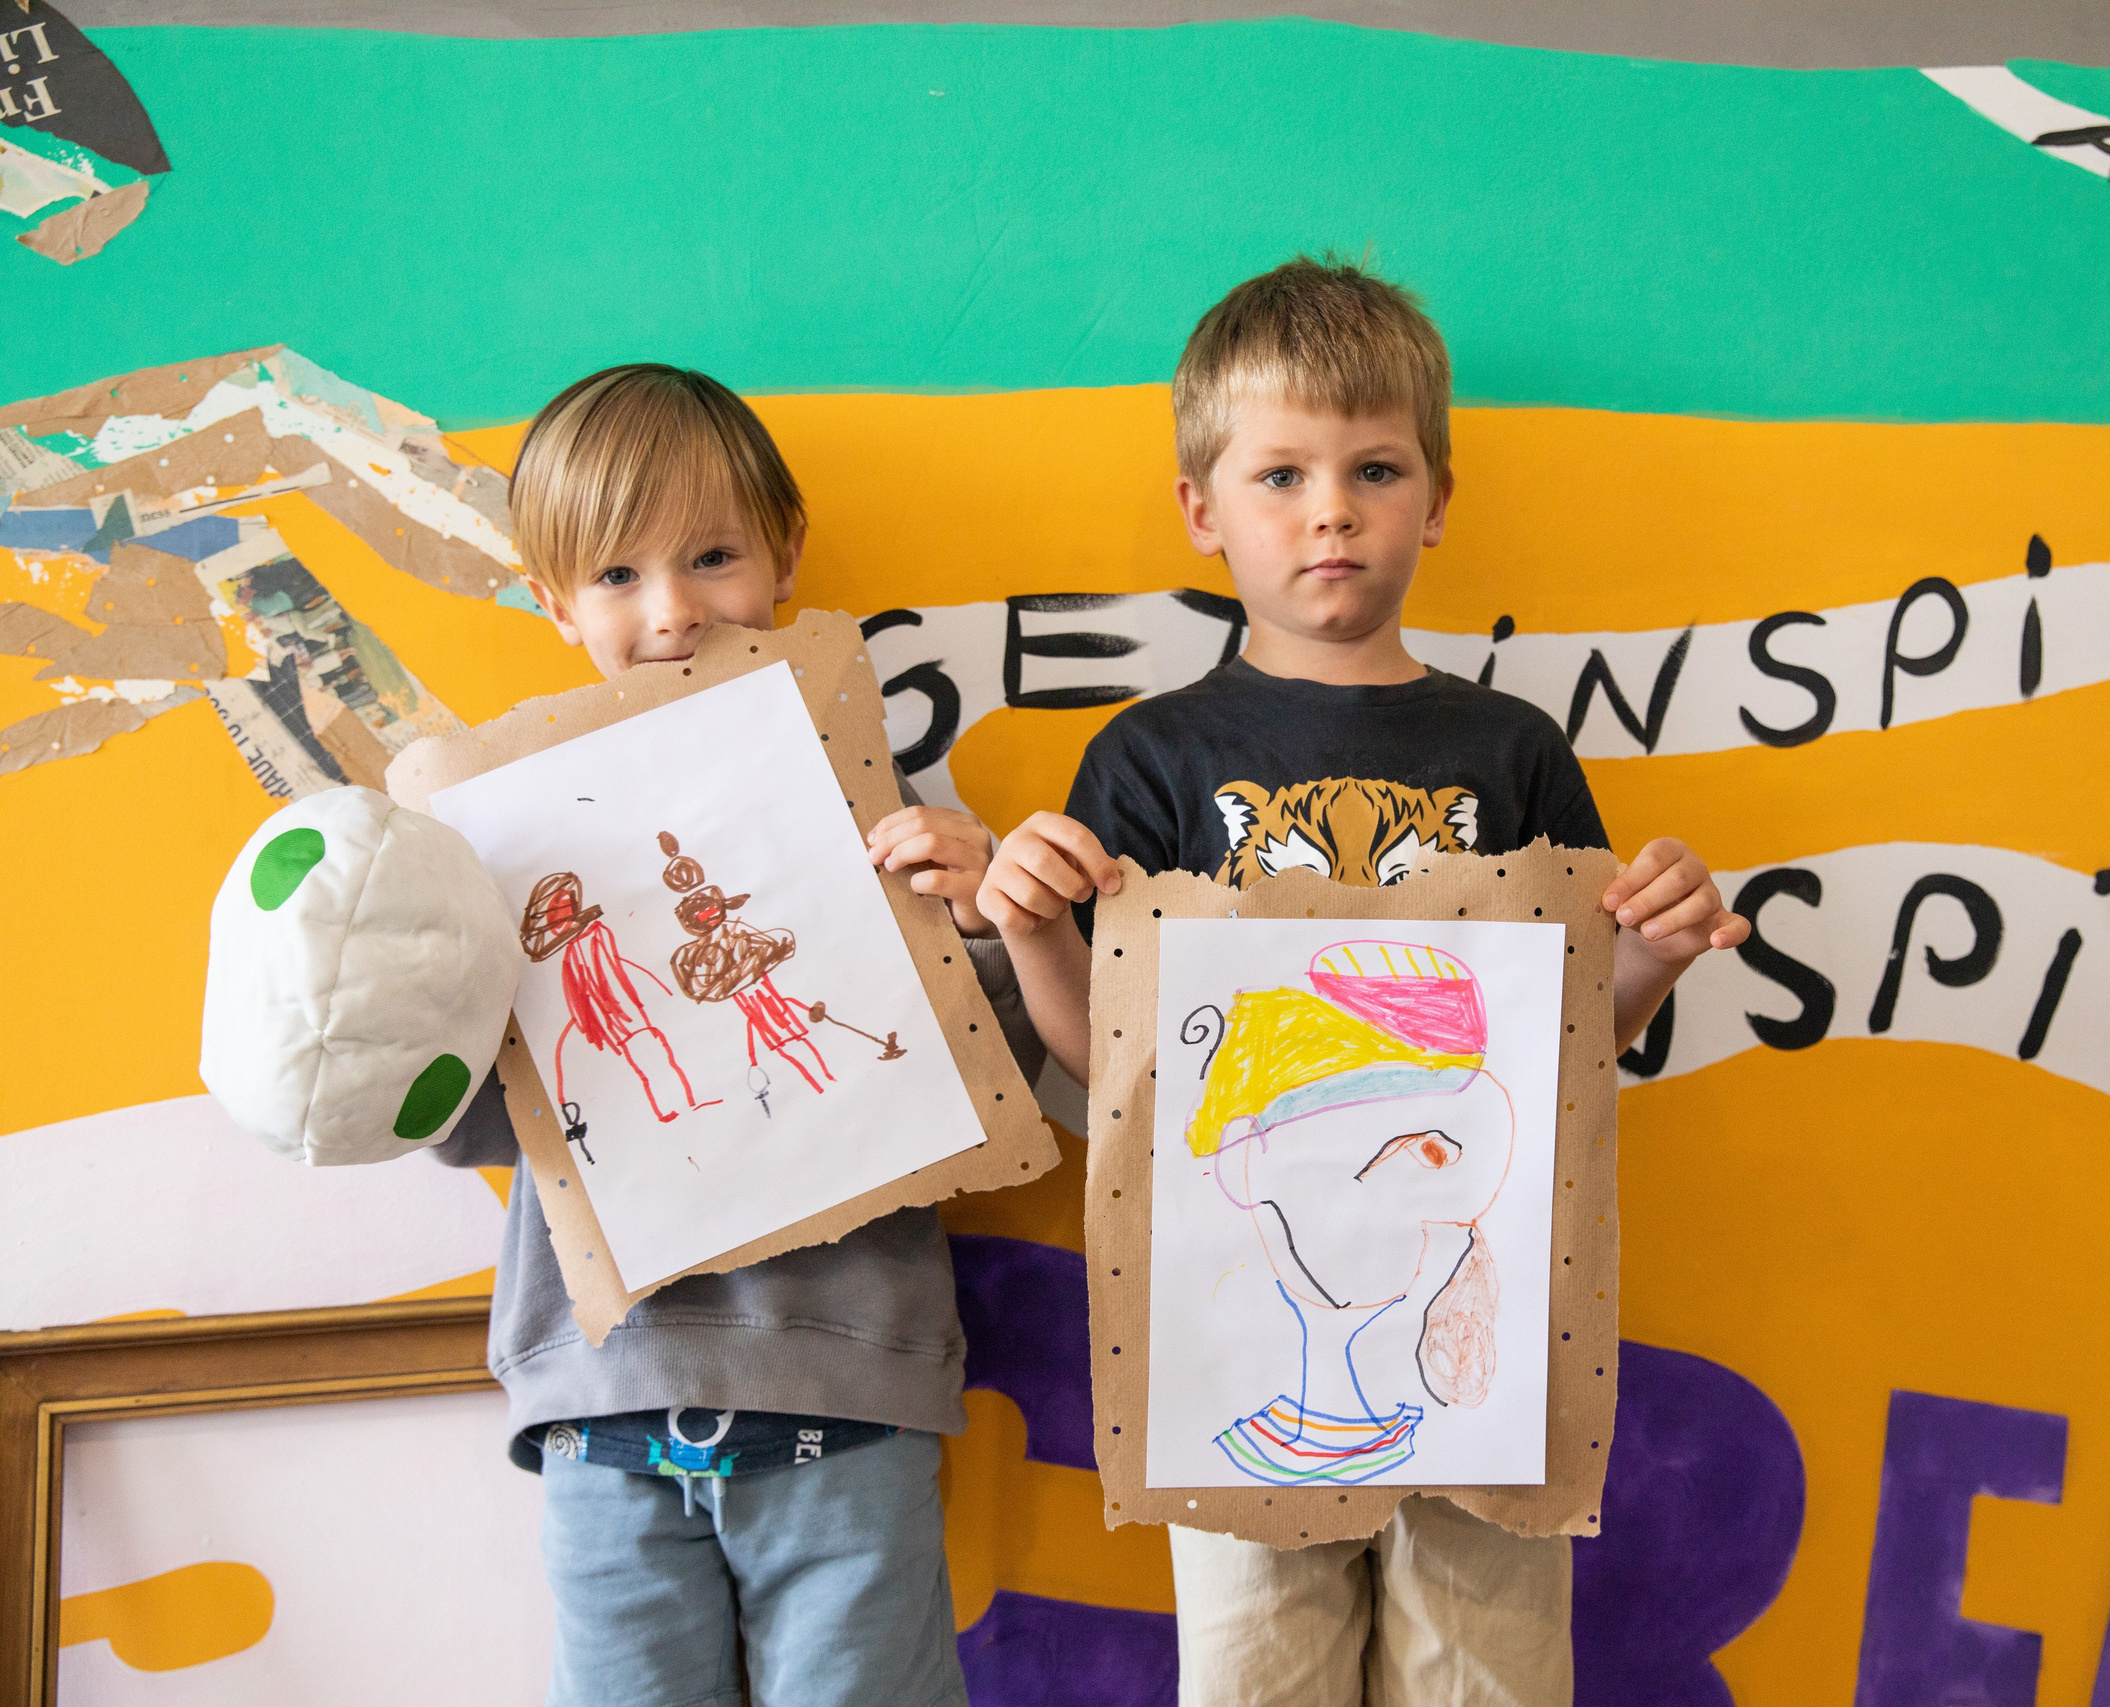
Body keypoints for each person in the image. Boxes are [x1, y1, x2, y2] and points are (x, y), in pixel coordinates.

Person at [977, 258, 1752, 1706]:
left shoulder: (1515, 753)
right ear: (1201, 509)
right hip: (1234, 1353)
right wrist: (1031, 934)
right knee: (1259, 1675)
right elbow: (1117, 1074)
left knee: (1487, 1676)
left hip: (1483, 1350)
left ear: (1437, 501)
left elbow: (1568, 1051)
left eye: (1375, 468)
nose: (1330, 507)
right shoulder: (1149, 761)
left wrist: (1650, 946)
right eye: (1280, 473)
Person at [442, 363, 1028, 1707]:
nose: (672, 615)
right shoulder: (511, 846)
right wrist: (429, 985)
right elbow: (476, 1126)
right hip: (603, 1402)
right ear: (552, 602)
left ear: (785, 552)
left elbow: (1003, 1079)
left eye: (713, 557)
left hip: (850, 1392)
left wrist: (988, 907)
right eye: (615, 578)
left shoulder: (879, 806)